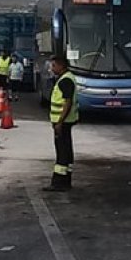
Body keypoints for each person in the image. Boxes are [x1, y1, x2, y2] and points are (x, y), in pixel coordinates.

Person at [44, 53, 78, 192]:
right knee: (67, 150)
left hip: (62, 122)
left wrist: (59, 122)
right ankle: (66, 180)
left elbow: (67, 102)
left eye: (54, 65)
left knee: (62, 151)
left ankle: (58, 182)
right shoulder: (67, 78)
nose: (52, 68)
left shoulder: (65, 81)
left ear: (61, 65)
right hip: (66, 121)